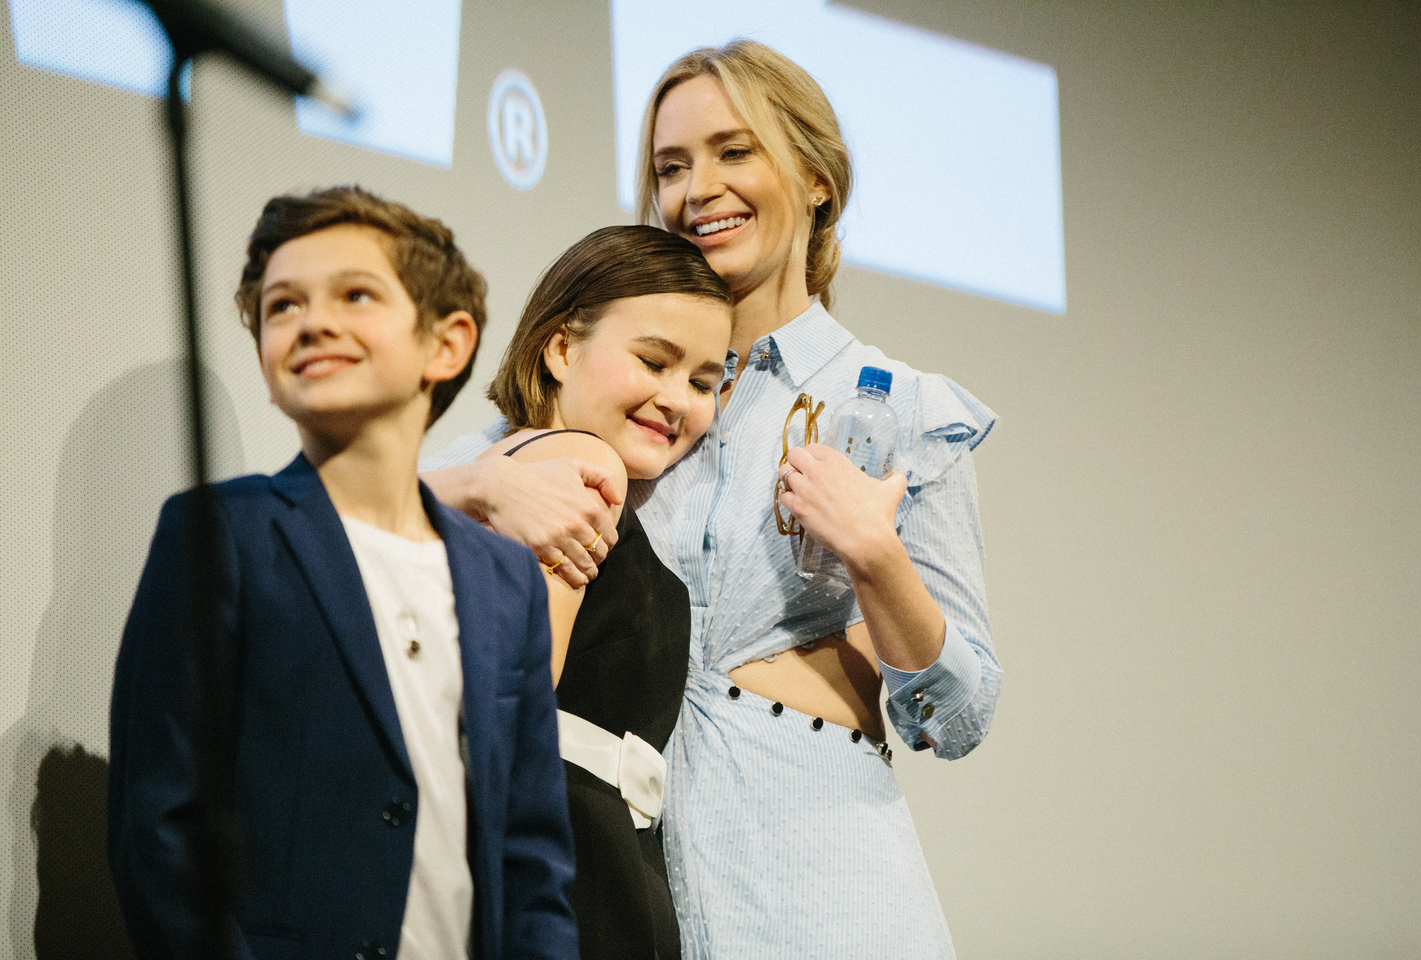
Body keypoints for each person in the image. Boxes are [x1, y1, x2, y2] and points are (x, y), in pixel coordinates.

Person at [424, 40, 1001, 958]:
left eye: (734, 153)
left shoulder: (903, 410)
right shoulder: (619, 386)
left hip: (822, 882)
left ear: (816, 177)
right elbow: (392, 515)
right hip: (624, 888)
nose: (698, 190)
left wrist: (877, 558)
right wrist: (482, 482)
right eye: (669, 167)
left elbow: (957, 715)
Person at [108, 186, 577, 960]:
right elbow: (161, 832)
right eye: (282, 306)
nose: (312, 321)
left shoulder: (504, 580)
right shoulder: (222, 534)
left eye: (355, 295)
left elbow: (530, 853)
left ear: (447, 344)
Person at [471, 224, 730, 959]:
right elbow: (511, 724)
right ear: (559, 348)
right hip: (567, 882)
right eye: (654, 360)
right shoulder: (583, 468)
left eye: (704, 382)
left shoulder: (515, 465)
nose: (677, 399)